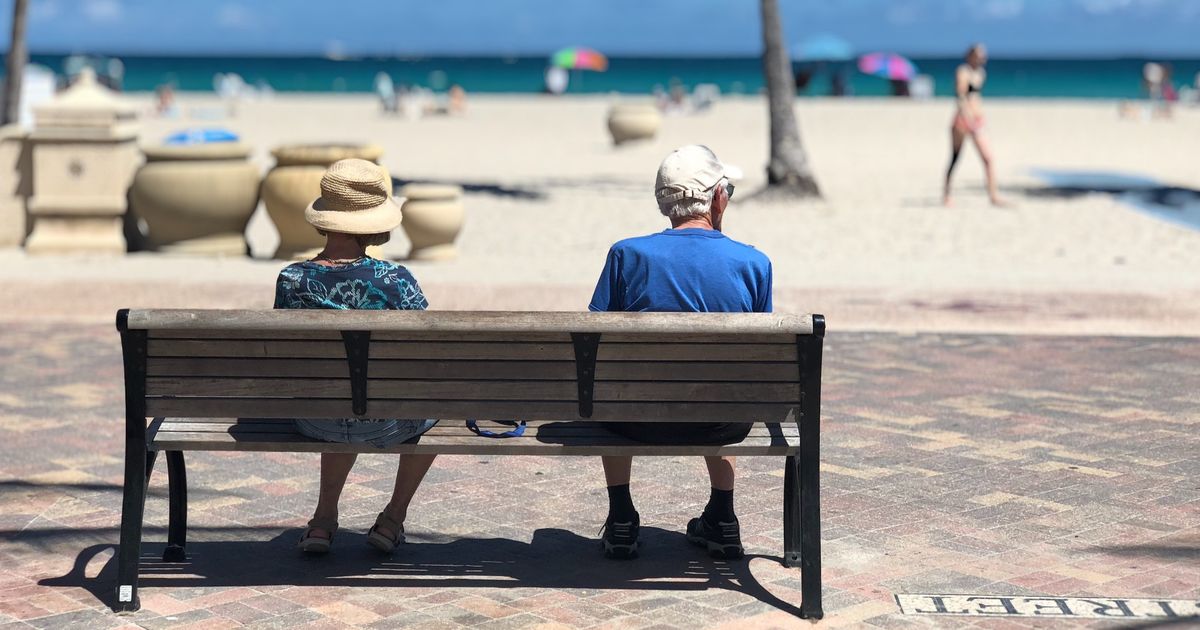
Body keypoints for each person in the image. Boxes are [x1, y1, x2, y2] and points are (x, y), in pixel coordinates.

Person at [588, 145, 772, 561]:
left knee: (613, 386)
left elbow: (595, 340)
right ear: (717, 199)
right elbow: (757, 360)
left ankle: (620, 516)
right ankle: (723, 516)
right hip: (722, 423)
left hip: (634, 421)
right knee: (724, 382)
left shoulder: (627, 255)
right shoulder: (754, 263)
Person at [275, 158, 438, 555]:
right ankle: (393, 518)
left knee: (339, 390)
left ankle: (323, 521)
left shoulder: (292, 279)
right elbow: (426, 348)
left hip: (314, 420)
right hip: (386, 425)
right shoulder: (397, 281)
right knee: (440, 401)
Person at [943, 43, 1004, 207]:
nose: (983, 57)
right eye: (979, 54)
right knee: (955, 157)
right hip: (963, 120)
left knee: (988, 159)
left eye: (984, 54)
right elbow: (961, 97)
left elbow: (976, 97)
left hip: (977, 121)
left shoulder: (980, 73)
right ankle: (946, 194)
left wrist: (980, 118)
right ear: (971, 55)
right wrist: (967, 118)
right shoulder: (962, 72)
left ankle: (993, 195)